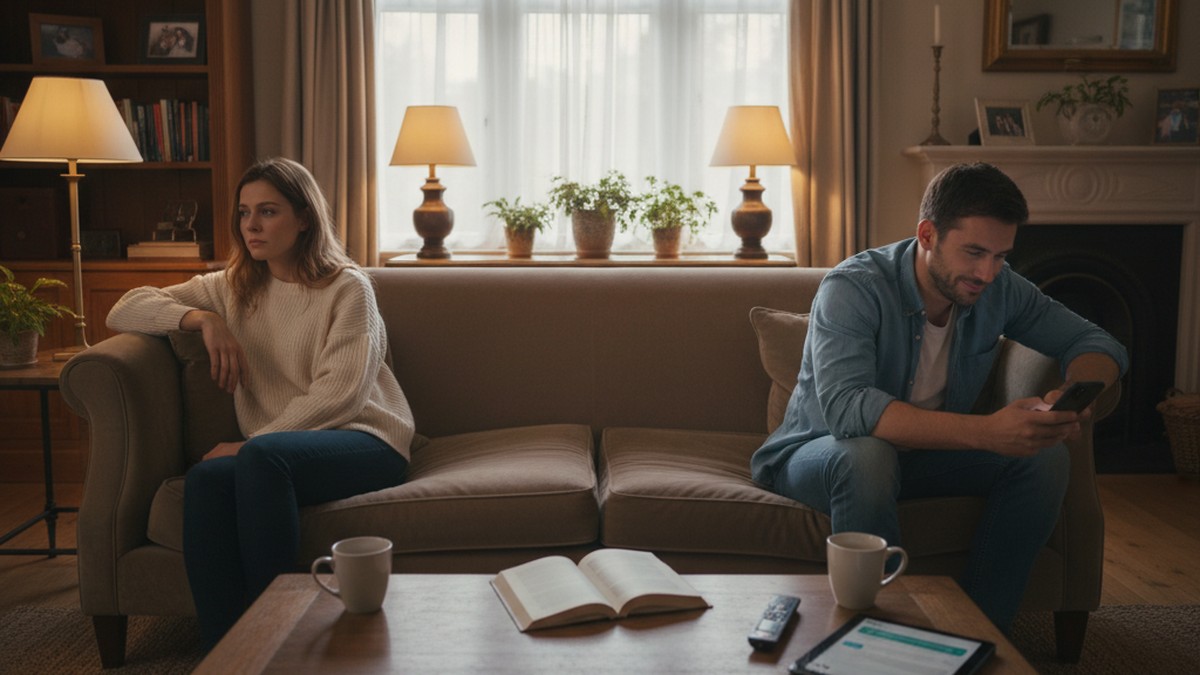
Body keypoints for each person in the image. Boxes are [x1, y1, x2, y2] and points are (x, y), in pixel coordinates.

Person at [750, 162, 1128, 633]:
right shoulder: (854, 287)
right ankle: (874, 640)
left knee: (1045, 457)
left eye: (1000, 256)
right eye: (973, 252)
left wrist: (1072, 393)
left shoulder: (999, 288)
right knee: (868, 455)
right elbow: (849, 409)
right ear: (928, 235)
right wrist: (987, 432)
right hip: (818, 453)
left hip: (925, 458)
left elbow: (1097, 342)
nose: (987, 272)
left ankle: (980, 635)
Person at [107, 157, 414, 647]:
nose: (251, 224)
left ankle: (276, 639)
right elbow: (124, 308)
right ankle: (227, 650)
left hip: (366, 439)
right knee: (207, 479)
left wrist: (255, 444)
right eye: (245, 212)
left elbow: (341, 394)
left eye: (268, 211)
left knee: (262, 458)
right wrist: (204, 321)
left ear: (304, 217)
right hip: (274, 456)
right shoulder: (231, 287)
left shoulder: (347, 287)